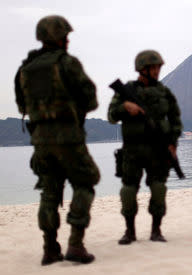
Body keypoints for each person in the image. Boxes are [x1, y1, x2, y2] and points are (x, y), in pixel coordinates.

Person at [14, 15, 100, 264]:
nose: (68, 41)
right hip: (68, 137)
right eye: (65, 36)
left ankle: (50, 248)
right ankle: (75, 244)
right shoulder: (67, 64)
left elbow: (22, 105)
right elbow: (91, 99)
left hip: (40, 139)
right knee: (86, 181)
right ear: (58, 38)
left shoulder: (25, 69)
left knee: (49, 192)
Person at [108, 50, 183, 244]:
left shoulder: (165, 92)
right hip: (132, 151)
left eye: (159, 67)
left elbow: (175, 119)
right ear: (143, 69)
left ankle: (156, 230)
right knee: (128, 191)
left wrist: (173, 143)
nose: (158, 71)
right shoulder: (127, 90)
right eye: (154, 67)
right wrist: (125, 107)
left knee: (159, 188)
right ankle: (129, 231)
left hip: (158, 150)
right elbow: (111, 116)